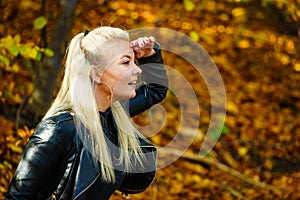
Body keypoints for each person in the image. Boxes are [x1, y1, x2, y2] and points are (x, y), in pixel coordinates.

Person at [6, 26, 168, 200]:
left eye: (135, 61)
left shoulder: (113, 115)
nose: (137, 70)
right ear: (96, 74)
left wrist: (150, 55)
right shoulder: (58, 130)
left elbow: (156, 90)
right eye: (126, 62)